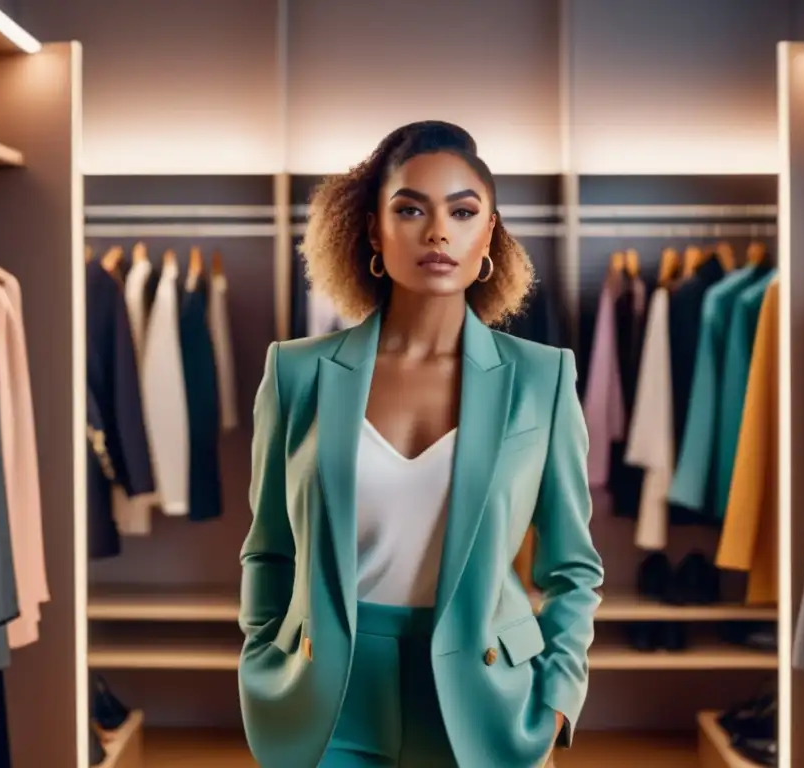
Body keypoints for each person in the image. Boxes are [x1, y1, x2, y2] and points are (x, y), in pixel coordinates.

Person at [237, 120, 604, 767]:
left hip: (486, 693)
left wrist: (557, 698)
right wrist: (264, 656)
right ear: (374, 230)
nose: (438, 232)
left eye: (463, 212)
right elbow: (269, 549)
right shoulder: (294, 372)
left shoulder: (542, 378)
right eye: (410, 209)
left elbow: (572, 567)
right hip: (327, 695)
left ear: (487, 232)